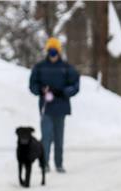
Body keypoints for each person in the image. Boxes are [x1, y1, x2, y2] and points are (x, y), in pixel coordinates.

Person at [28, 37, 80, 173]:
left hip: (61, 108)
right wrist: (40, 90)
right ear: (47, 51)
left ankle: (59, 164)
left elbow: (75, 85)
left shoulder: (66, 68)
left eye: (55, 51)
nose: (52, 54)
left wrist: (64, 92)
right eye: (50, 51)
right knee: (46, 137)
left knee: (59, 138)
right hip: (46, 108)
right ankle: (44, 163)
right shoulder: (40, 67)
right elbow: (32, 84)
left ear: (59, 52)